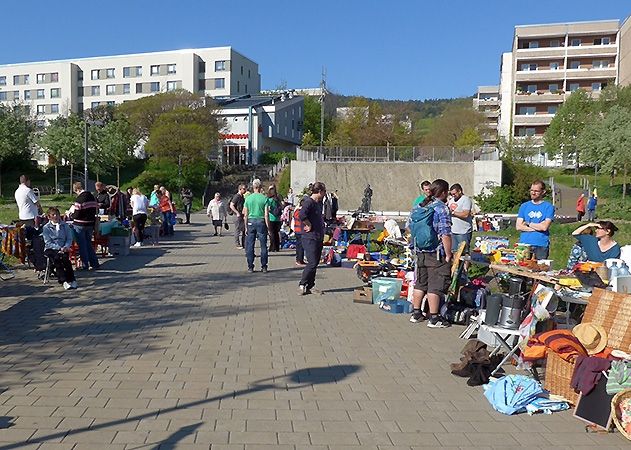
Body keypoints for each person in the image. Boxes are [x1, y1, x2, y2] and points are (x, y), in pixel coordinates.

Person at [409, 179, 453, 328]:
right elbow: (445, 233)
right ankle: (434, 318)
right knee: (436, 283)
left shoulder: (419, 206)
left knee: (420, 282)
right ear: (444, 192)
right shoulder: (441, 208)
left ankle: (416, 313)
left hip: (419, 250)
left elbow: (410, 228)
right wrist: (448, 254)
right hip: (436, 252)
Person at [298, 182, 327, 295]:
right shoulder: (308, 202)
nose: (325, 194)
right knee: (312, 262)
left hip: (318, 236)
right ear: (319, 191)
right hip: (309, 237)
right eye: (324, 192)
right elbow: (301, 215)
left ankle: (310, 285)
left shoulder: (318, 203)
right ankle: (302, 284)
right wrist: (308, 224)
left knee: (315, 263)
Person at [516, 180, 555, 260]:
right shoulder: (524, 206)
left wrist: (528, 223)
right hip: (524, 244)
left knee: (539, 270)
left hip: (541, 245)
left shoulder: (548, 207)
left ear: (543, 192)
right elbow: (518, 226)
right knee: (521, 269)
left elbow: (544, 227)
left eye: (536, 191)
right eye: (531, 190)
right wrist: (538, 226)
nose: (533, 193)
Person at [42, 207, 77, 290]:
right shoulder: (46, 228)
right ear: (49, 217)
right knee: (57, 259)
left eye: (57, 214)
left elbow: (69, 238)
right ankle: (63, 281)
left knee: (65, 259)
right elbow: (48, 242)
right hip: (51, 249)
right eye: (53, 215)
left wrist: (66, 247)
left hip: (64, 248)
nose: (56, 216)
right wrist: (59, 248)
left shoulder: (65, 225)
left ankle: (72, 280)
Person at [69, 181, 100, 271]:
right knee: (88, 244)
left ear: (77, 189)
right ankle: (94, 263)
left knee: (82, 245)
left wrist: (71, 214)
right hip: (90, 223)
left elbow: (77, 214)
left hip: (80, 224)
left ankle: (85, 264)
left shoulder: (79, 199)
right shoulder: (92, 197)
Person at [243, 179, 270, 273]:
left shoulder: (248, 198)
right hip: (261, 221)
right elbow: (266, 214)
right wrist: (268, 227)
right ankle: (264, 266)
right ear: (260, 186)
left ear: (253, 187)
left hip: (251, 221)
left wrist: (246, 226)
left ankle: (250, 266)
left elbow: (245, 214)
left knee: (250, 245)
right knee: (263, 245)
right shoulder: (264, 198)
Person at [448, 184, 473, 254]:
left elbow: (465, 214)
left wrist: (453, 213)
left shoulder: (466, 200)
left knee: (464, 252)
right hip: (453, 230)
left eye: (454, 194)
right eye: (451, 194)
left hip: (463, 231)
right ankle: (456, 265)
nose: (453, 195)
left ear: (459, 191)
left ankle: (465, 265)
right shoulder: (451, 200)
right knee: (454, 251)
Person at [230, 184, 247, 249]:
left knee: (244, 229)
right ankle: (237, 244)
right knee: (237, 229)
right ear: (240, 189)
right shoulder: (237, 196)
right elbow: (231, 205)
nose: (245, 190)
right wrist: (237, 212)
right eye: (244, 189)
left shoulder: (242, 196)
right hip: (237, 216)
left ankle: (244, 243)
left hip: (241, 215)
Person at [266, 186, 282, 252]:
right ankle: (277, 247)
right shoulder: (277, 199)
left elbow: (268, 209)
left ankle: (272, 247)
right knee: (276, 233)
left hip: (271, 218)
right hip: (278, 218)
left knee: (271, 233)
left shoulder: (269, 200)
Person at [292, 198, 306, 266]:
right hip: (300, 230)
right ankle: (299, 260)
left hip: (297, 230)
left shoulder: (296, 211)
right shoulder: (301, 212)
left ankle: (300, 259)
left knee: (299, 246)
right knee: (300, 246)